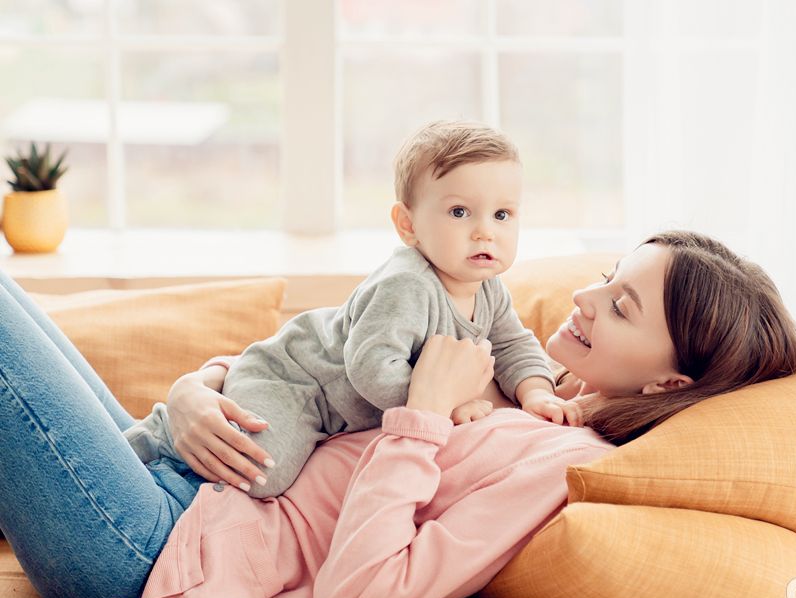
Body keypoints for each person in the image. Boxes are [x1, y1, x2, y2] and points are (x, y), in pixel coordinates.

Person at [0, 230, 796, 598]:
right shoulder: (515, 371)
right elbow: (315, 375)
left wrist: (421, 413)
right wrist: (198, 386)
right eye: (605, 279)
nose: (585, 300)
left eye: (621, 305)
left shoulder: (558, 463)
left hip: (153, 550)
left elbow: (360, 594)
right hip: (177, 470)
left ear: (670, 380)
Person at [121, 120, 575, 498]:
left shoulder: (489, 288)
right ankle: (158, 437)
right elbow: (372, 368)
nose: (484, 232)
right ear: (408, 225)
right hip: (295, 380)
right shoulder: (408, 284)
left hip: (327, 406)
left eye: (502, 215)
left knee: (265, 475)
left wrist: (535, 392)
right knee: (262, 475)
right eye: (460, 212)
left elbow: (515, 343)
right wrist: (443, 405)